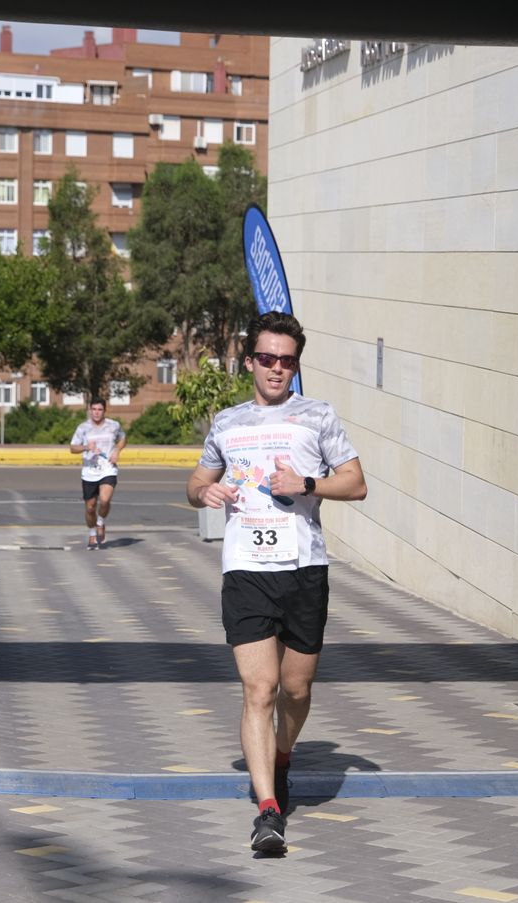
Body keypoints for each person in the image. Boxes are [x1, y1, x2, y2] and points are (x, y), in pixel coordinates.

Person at [186, 312, 367, 855]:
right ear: (250, 362)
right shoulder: (228, 422)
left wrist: (307, 483)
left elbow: (356, 483)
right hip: (246, 571)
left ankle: (283, 752)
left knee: (295, 689)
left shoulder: (317, 416)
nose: (277, 369)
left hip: (304, 569)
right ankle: (268, 810)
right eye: (267, 358)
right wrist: (206, 494)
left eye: (287, 361)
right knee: (258, 690)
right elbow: (197, 480)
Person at [70, 399, 126, 550]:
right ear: (90, 410)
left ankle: (100, 522)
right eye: (93, 409)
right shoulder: (83, 428)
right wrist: (86, 447)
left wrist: (116, 451)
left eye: (99, 409)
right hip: (89, 472)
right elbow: (72, 448)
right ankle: (92, 532)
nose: (96, 412)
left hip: (108, 468)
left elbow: (122, 438)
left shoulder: (113, 425)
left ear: (104, 410)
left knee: (105, 500)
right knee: (90, 507)